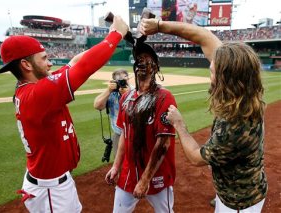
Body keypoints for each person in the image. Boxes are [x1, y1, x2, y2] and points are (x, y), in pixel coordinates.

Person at [0, 16, 128, 213]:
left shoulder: (31, 88)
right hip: (50, 189)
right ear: (26, 65)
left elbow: (75, 62)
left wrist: (108, 36)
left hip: (51, 184)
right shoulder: (38, 94)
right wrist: (116, 35)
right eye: (44, 58)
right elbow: (84, 67)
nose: (49, 64)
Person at [140, 19, 268, 212]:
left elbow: (197, 158)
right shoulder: (247, 90)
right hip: (242, 185)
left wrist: (179, 125)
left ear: (227, 79)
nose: (210, 75)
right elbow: (204, 36)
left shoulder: (234, 126)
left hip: (239, 203)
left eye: (213, 72)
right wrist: (159, 25)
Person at [105, 41, 177, 212]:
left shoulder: (164, 97)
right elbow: (124, 134)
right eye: (139, 59)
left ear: (156, 67)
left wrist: (145, 180)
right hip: (128, 173)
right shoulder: (126, 98)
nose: (142, 62)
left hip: (156, 174)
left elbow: (163, 144)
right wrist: (116, 166)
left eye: (147, 58)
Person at [93, 69, 131, 157]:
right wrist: (108, 90)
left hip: (135, 134)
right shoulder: (111, 93)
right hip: (119, 133)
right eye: (119, 81)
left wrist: (128, 94)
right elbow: (97, 106)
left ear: (128, 79)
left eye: (124, 80)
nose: (122, 83)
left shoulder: (136, 91)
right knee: (119, 164)